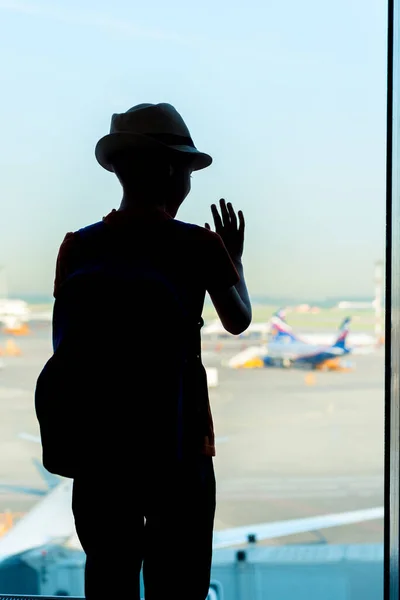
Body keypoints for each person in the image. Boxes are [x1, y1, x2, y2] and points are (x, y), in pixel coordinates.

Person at [52, 103, 252, 599]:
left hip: (101, 453)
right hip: (178, 449)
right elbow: (238, 319)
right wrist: (235, 260)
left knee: (109, 574)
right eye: (186, 170)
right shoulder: (198, 245)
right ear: (168, 171)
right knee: (178, 583)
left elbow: (63, 346)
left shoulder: (77, 247)